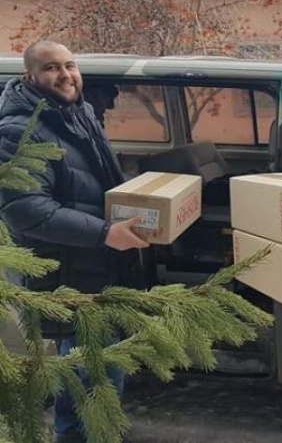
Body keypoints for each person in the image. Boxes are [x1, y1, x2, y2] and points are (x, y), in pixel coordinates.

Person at [0, 41, 148, 443]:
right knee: (85, 385)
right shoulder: (20, 129)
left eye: (70, 65)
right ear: (30, 77)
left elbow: (96, 182)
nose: (65, 75)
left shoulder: (77, 114)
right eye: (52, 68)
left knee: (103, 380)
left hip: (99, 272)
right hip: (70, 279)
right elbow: (26, 210)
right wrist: (105, 233)